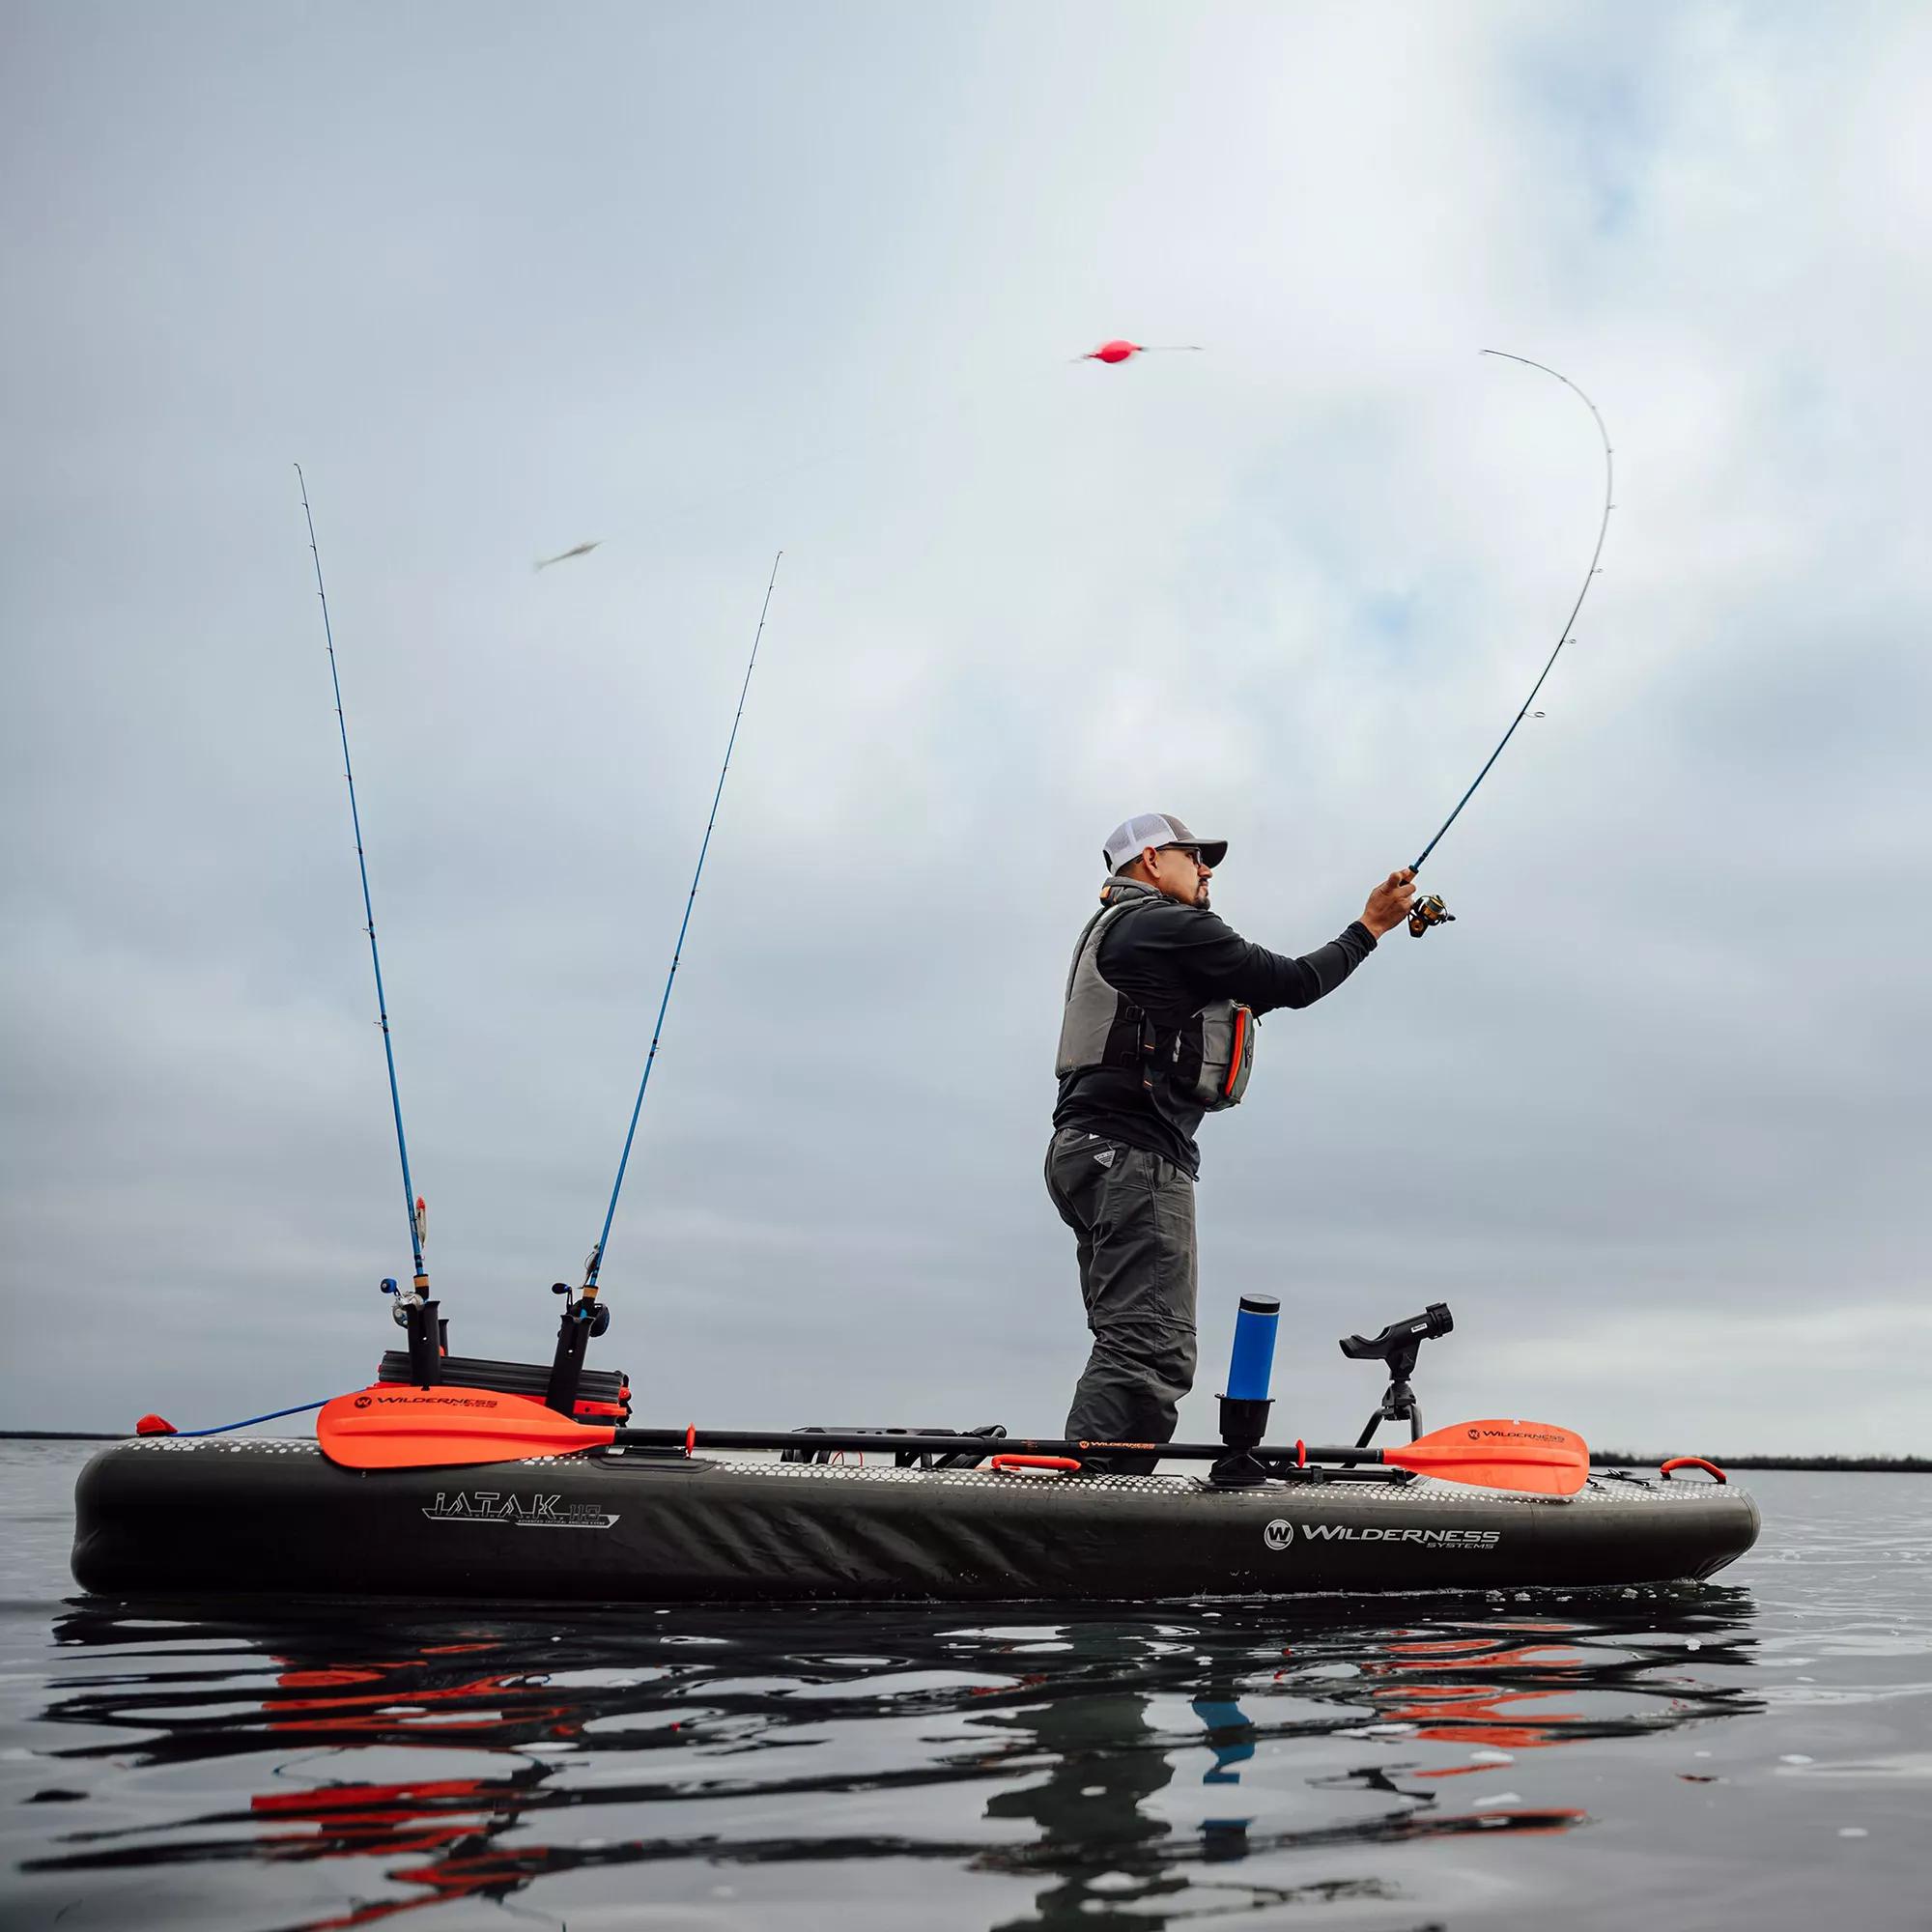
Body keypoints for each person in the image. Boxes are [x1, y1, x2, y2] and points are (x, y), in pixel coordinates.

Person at [1047, 811, 1415, 1472]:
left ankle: (1087, 1494)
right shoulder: (1166, 924)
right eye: (1195, 857)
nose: (1207, 869)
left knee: (1127, 1337)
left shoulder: (1124, 932)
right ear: (1154, 863)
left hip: (1084, 1151)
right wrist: (1371, 928)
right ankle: (1089, 1511)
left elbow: (1251, 995)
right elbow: (1292, 983)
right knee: (1150, 1346)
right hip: (1132, 1155)